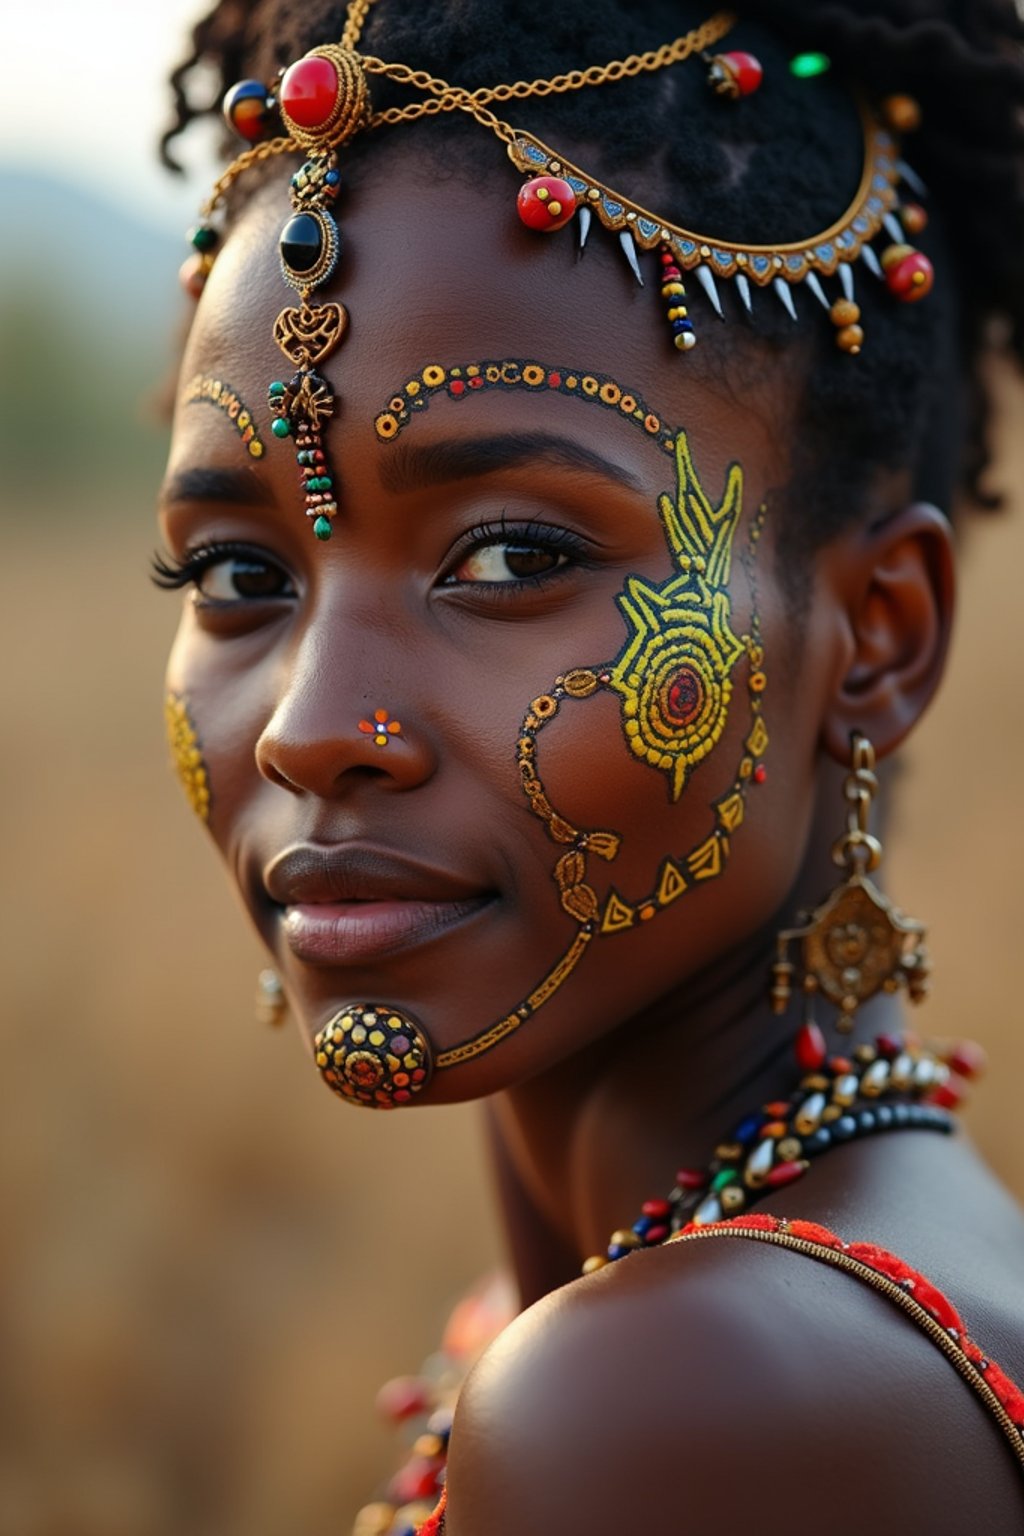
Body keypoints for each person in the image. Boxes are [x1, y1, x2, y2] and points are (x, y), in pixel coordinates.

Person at [156, 2, 1024, 1530]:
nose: (308, 726)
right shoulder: (701, 1312)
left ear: (876, 637)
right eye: (236, 574)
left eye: (510, 554)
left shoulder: (681, 1392)